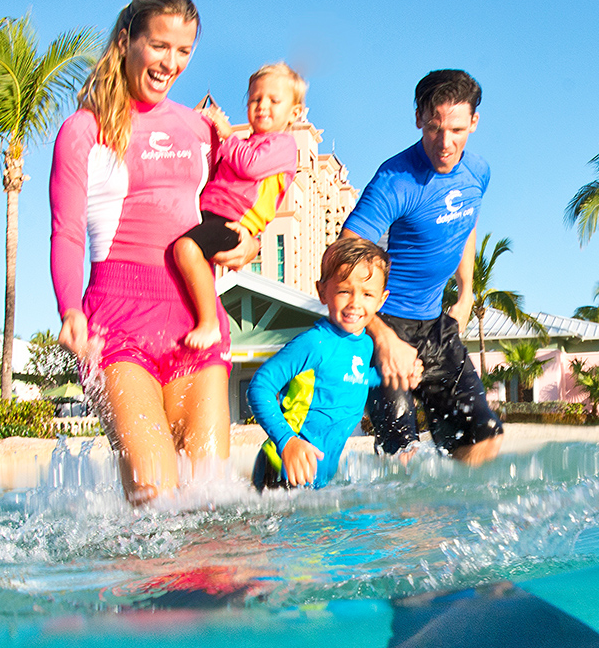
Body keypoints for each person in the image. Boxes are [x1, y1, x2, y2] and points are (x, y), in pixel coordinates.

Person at [48, 0, 258, 504]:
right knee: (156, 498)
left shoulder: (200, 130)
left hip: (196, 321)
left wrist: (247, 240)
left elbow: (225, 208)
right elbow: (67, 230)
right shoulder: (83, 131)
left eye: (184, 50)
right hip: (117, 326)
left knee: (209, 502)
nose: (171, 63)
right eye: (160, 46)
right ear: (127, 41)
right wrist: (68, 308)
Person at [339, 69, 503, 466]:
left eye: (457, 130)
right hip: (387, 324)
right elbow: (342, 257)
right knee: (402, 458)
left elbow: (467, 224)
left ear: (474, 123)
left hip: (436, 328)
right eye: (434, 128)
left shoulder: (477, 172)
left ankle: (450, 523)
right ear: (418, 119)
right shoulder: (395, 180)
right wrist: (381, 337)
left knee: (484, 439)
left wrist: (466, 294)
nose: (445, 143)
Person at [173, 63, 305, 351]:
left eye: (273, 100)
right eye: (255, 99)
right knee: (186, 259)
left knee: (185, 249)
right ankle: (195, 315)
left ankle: (209, 323)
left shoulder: (282, 146)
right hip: (211, 216)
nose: (262, 106)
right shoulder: (247, 143)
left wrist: (227, 134)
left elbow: (249, 165)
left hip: (233, 223)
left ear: (294, 113)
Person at [248, 237, 389, 490]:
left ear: (381, 300)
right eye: (344, 290)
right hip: (282, 467)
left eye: (367, 294)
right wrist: (287, 441)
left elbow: (351, 379)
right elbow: (260, 385)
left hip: (320, 478)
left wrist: (388, 375)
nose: (355, 303)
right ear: (322, 291)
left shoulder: (365, 345)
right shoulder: (315, 343)